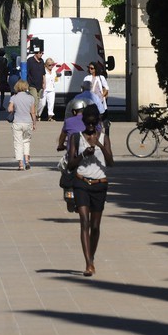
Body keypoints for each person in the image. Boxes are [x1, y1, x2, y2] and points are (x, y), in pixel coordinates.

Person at [63, 103, 114, 275]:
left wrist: (99, 145)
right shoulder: (76, 137)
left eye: (94, 124)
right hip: (81, 183)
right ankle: (88, 263)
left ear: (98, 122)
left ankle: (91, 256)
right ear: (83, 121)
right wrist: (84, 154)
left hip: (100, 183)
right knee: (84, 222)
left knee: (95, 226)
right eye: (88, 124)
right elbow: (70, 164)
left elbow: (111, 162)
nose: (90, 127)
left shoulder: (104, 137)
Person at [9, 78, 37, 170]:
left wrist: (14, 108)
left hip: (17, 122)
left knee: (18, 143)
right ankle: (27, 161)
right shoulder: (31, 98)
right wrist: (34, 123)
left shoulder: (14, 97)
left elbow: (10, 109)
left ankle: (20, 164)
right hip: (28, 122)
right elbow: (33, 112)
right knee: (26, 141)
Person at [25, 46, 46, 113]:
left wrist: (44, 83)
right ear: (36, 53)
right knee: (35, 100)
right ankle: (34, 114)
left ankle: (35, 113)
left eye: (42, 53)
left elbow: (43, 73)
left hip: (39, 84)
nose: (41, 54)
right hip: (32, 84)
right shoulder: (30, 61)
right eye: (40, 53)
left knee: (38, 100)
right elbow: (27, 72)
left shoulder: (42, 61)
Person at [41, 58, 60, 122]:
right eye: (49, 65)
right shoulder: (43, 71)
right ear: (46, 65)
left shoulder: (54, 71)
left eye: (52, 65)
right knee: (42, 104)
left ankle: (50, 117)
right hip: (44, 89)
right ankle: (37, 115)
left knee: (51, 103)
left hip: (51, 89)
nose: (51, 66)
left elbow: (55, 79)